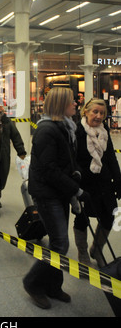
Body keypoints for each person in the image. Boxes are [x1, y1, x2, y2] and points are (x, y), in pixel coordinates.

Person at [23, 87, 87, 310]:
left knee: (56, 241)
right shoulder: (47, 130)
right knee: (61, 243)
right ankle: (32, 283)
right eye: (71, 101)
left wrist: (75, 174)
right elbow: (48, 170)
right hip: (47, 193)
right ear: (61, 104)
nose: (75, 104)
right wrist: (76, 190)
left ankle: (52, 285)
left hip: (59, 191)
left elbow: (67, 160)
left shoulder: (65, 127)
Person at [74, 98, 121, 267]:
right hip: (85, 183)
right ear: (86, 111)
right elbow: (74, 159)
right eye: (95, 112)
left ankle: (97, 250)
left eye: (102, 113)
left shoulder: (105, 130)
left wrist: (118, 180)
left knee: (108, 218)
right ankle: (82, 253)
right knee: (82, 219)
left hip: (104, 182)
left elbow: (110, 158)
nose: (99, 116)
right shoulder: (77, 131)